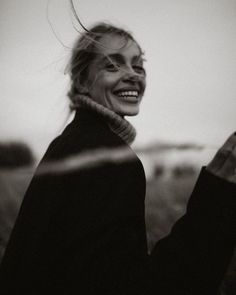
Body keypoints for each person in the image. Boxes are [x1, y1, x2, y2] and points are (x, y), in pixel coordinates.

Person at [0, 22, 235, 295]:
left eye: (138, 65)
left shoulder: (67, 144)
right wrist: (216, 204)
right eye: (112, 66)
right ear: (82, 81)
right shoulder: (110, 160)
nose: (132, 75)